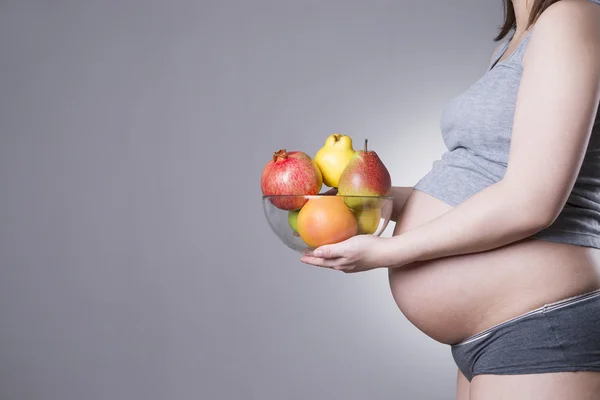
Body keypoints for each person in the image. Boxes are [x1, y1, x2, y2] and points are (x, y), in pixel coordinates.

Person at [300, 0, 600, 398]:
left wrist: (391, 251)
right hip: (499, 330)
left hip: (540, 327)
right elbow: (480, 181)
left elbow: (533, 201)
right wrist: (367, 202)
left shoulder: (572, 15)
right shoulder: (519, 38)